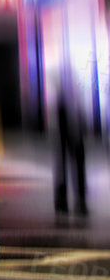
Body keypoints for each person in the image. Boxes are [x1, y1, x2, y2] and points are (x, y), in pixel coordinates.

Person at [56, 82, 89, 220]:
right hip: (67, 117)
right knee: (74, 160)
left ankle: (65, 200)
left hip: (67, 118)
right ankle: (75, 200)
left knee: (65, 161)